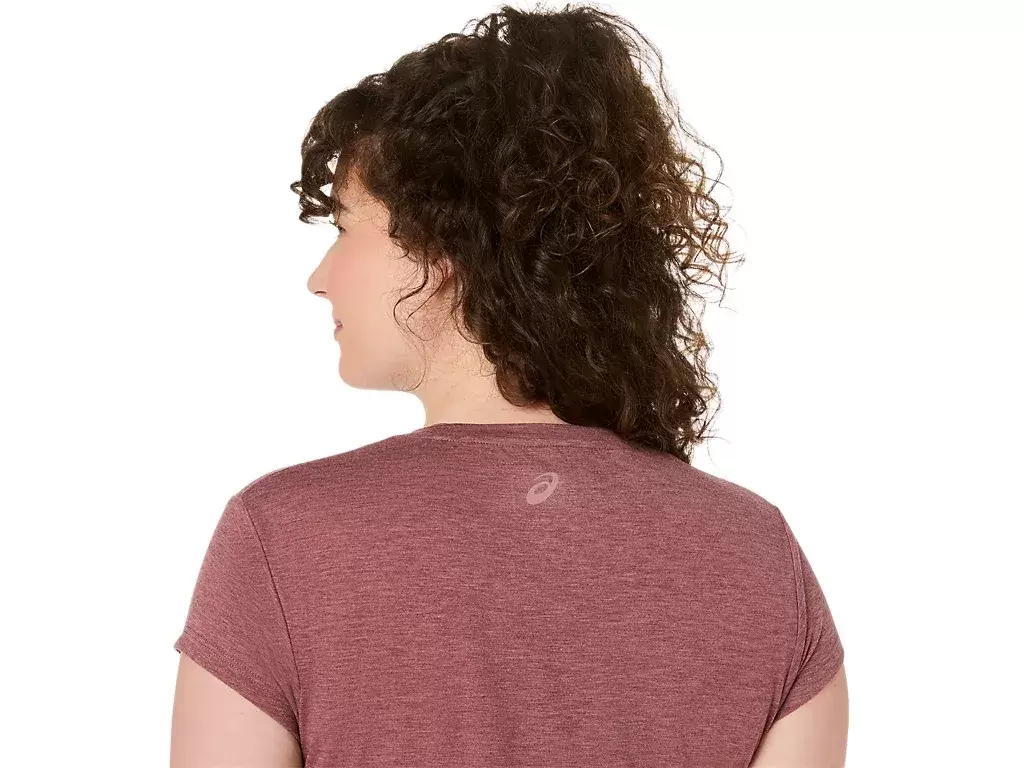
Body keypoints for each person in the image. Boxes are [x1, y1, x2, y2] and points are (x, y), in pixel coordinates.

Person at [170, 4, 848, 766]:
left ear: (441, 247)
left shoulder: (282, 538)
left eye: (345, 227)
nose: (319, 278)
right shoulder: (758, 556)